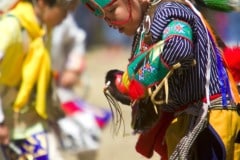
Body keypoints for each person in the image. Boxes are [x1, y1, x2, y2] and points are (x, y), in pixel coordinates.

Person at [80, 0, 240, 160]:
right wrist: (127, 86)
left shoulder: (167, 10)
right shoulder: (150, 20)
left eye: (112, 10)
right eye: (104, 17)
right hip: (190, 119)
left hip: (210, 117)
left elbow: (179, 46)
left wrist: (142, 80)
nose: (109, 22)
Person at [0, 0, 77, 159]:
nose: (65, 17)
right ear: (42, 3)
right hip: (8, 126)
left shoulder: (41, 28)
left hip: (31, 125)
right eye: (64, 10)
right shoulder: (11, 27)